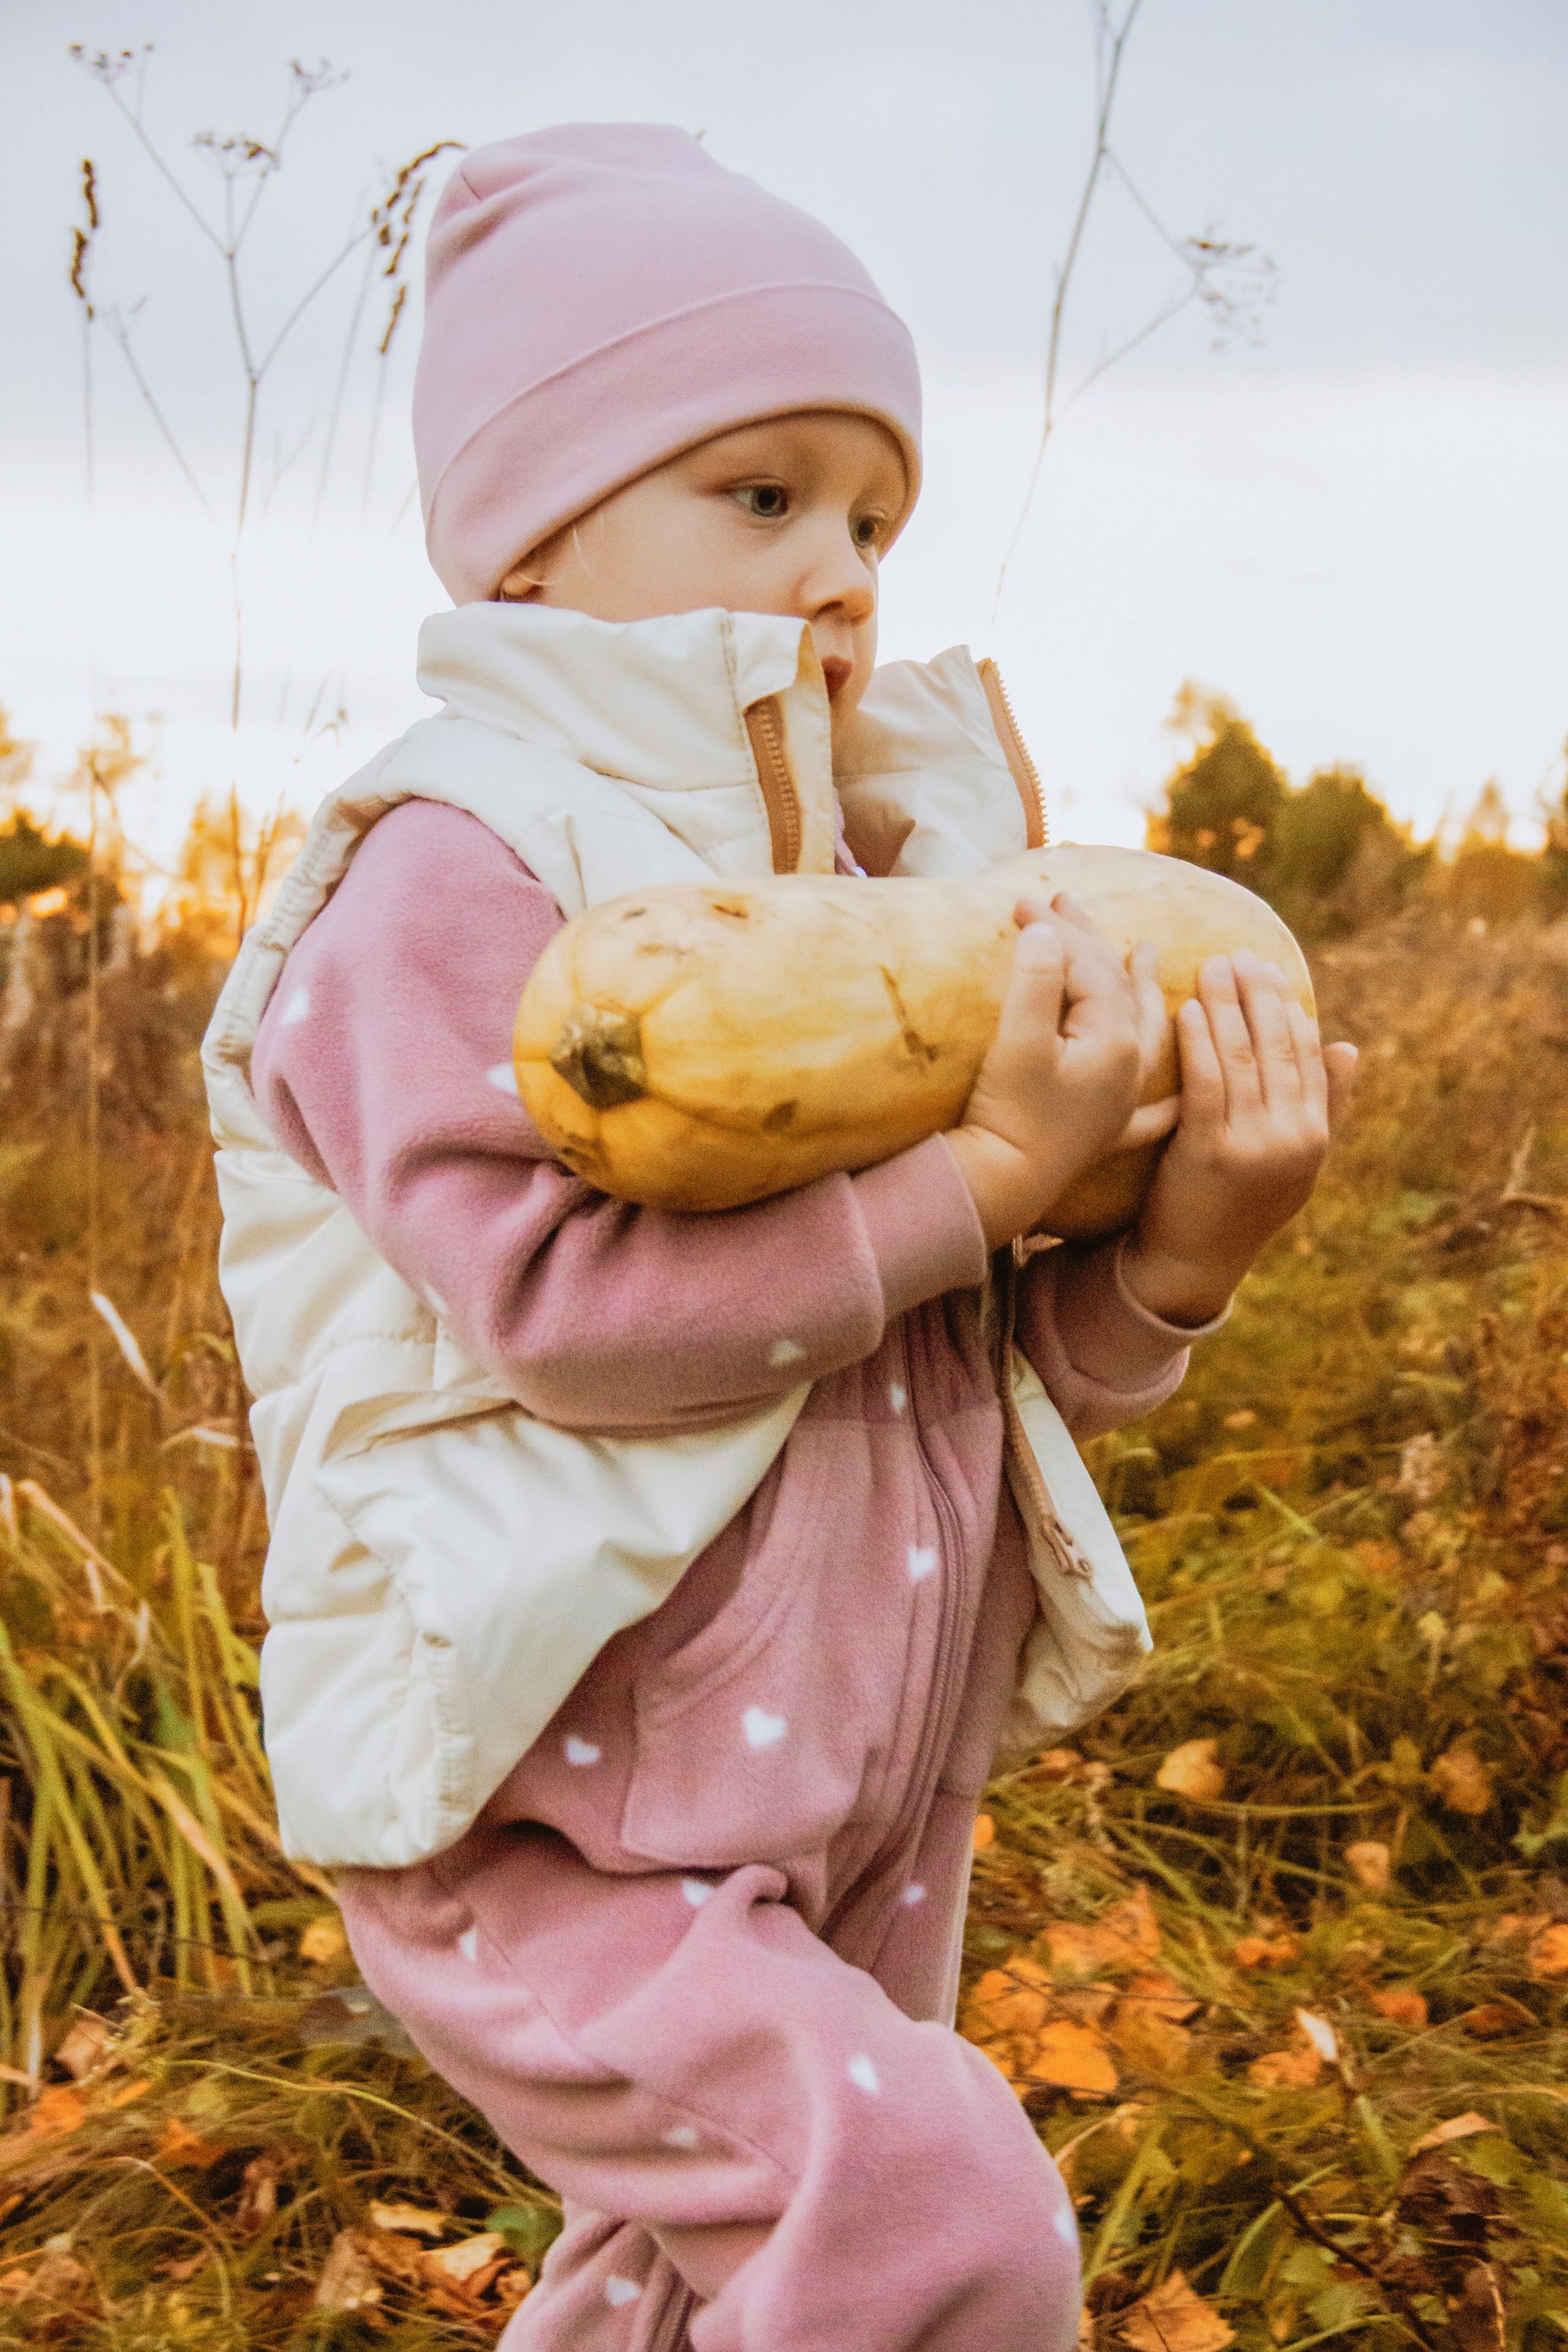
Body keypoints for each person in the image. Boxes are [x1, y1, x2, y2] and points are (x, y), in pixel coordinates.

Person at [203, 124, 1356, 2351]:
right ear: (533, 537)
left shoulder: (884, 910)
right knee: (940, 2240)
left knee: (705, 2280)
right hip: (550, 1816)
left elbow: (967, 1351)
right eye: (762, 494)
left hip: (853, 1781)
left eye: (871, 512)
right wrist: (988, 1180)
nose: (839, 565)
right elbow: (559, 1317)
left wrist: (1172, 1256)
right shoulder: (445, 877)